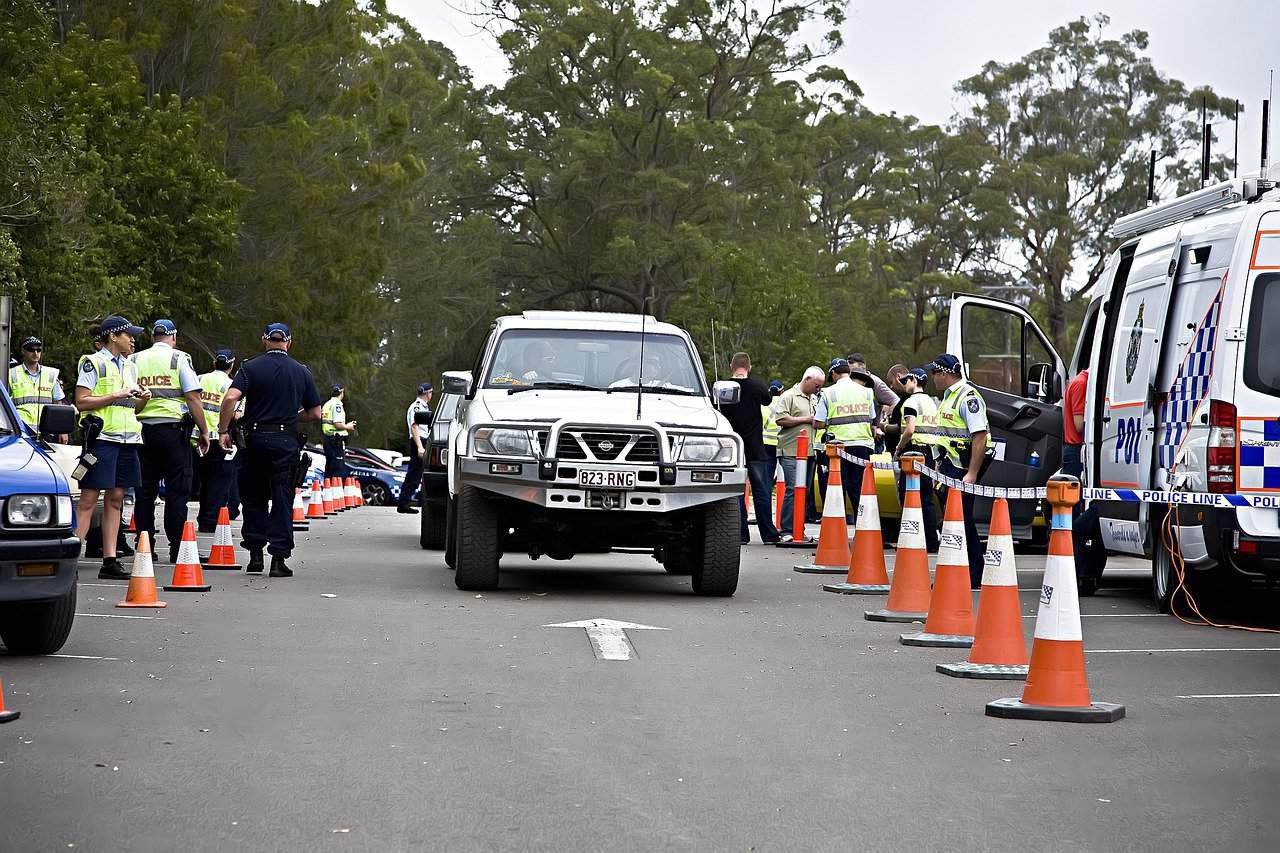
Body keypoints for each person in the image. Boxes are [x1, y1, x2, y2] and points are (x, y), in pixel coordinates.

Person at [218, 323, 322, 577]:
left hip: (254, 439)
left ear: (265, 339)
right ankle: (278, 559)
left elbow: (231, 398)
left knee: (253, 497)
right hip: (285, 441)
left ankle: (255, 555)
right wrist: (290, 416)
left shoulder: (250, 367)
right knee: (282, 498)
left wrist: (223, 430)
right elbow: (315, 413)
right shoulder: (302, 372)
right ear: (289, 342)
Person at [74, 316, 150, 580]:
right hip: (102, 439)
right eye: (128, 335)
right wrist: (115, 395)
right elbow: (81, 402)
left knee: (116, 498)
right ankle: (71, 560)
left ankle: (110, 559)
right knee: (88, 499)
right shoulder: (93, 362)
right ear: (113, 336)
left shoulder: (130, 367)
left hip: (128, 439)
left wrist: (142, 400)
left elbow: (132, 407)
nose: (132, 339)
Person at [132, 319, 210, 562]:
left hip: (142, 431)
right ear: (173, 337)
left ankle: (145, 544)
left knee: (145, 490)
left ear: (153, 337)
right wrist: (204, 431)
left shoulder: (135, 359)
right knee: (177, 490)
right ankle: (177, 546)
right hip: (173, 432)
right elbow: (193, 397)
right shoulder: (179, 359)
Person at [924, 353, 992, 588]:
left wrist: (972, 473)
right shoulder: (949, 397)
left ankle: (973, 572)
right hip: (950, 466)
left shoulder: (967, 397)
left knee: (960, 519)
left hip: (962, 468)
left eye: (934, 373)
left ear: (943, 373)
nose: (933, 377)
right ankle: (962, 571)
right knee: (956, 519)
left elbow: (980, 437)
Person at [720, 353, 781, 544]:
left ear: (731, 366)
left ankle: (741, 534)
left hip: (731, 448)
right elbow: (767, 400)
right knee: (761, 491)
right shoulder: (757, 386)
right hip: (755, 447)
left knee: (736, 492)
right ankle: (769, 535)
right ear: (750, 366)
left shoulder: (723, 388)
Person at [1061, 368, 1107, 595]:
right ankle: (1080, 571)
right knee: (1081, 514)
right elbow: (1080, 425)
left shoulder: (1081, 382)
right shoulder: (1081, 384)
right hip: (1076, 451)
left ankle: (1084, 571)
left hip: (1077, 451)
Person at [813, 359, 876, 521]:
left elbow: (818, 423)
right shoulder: (867, 391)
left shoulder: (828, 392)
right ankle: (865, 529)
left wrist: (825, 421)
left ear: (834, 373)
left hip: (838, 449)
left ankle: (835, 531)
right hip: (863, 446)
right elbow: (872, 419)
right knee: (860, 491)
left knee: (836, 490)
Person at [892, 367, 941, 552]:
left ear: (914, 380)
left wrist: (899, 448)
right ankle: (930, 541)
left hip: (913, 452)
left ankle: (910, 540)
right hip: (929, 453)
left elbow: (910, 429)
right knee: (926, 499)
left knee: (908, 496)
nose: (904, 384)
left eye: (906, 381)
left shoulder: (911, 402)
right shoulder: (931, 402)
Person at [771, 366, 823, 541]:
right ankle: (786, 530)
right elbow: (780, 419)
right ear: (806, 379)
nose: (818, 389)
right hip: (791, 451)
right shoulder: (789, 396)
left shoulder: (814, 398)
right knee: (793, 490)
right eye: (816, 385)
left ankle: (798, 528)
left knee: (804, 492)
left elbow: (816, 421)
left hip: (809, 452)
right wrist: (806, 419)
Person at [195, 348, 238, 532]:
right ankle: (210, 520)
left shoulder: (199, 378)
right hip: (219, 437)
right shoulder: (233, 385)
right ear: (231, 365)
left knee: (203, 481)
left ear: (214, 363)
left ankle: (204, 518)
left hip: (197, 436)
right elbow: (237, 414)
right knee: (218, 482)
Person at [9, 336, 68, 441]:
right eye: (31, 349)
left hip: (46, 432)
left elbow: (59, 404)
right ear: (23, 351)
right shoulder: (11, 374)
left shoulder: (51, 374)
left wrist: (62, 430)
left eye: (38, 350)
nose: (35, 353)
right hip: (20, 430)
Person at [846, 352, 900, 451]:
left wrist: (884, 424)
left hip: (871, 437)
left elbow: (895, 401)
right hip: (850, 435)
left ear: (863, 368)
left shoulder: (875, 383)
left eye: (852, 371)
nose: (850, 375)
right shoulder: (846, 382)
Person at [397, 382, 433, 514]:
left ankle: (406, 501)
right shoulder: (417, 407)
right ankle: (403, 503)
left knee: (416, 475)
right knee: (414, 474)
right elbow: (414, 427)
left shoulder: (423, 406)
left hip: (421, 440)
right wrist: (420, 447)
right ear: (428, 393)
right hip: (418, 441)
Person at [321, 384, 356, 479]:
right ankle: (335, 493)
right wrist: (348, 426)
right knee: (337, 472)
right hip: (335, 441)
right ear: (342, 392)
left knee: (329, 470)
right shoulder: (337, 404)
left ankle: (328, 492)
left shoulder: (327, 404)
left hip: (328, 440)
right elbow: (338, 424)